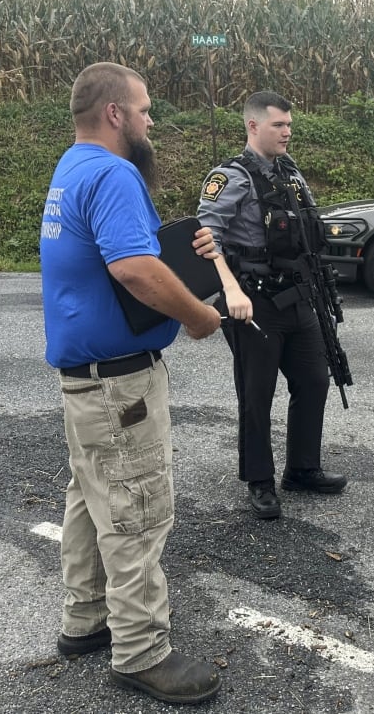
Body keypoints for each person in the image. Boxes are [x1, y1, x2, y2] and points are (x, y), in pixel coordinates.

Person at [39, 62, 224, 706]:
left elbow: (116, 253)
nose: (151, 122)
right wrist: (201, 316)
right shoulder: (116, 173)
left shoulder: (73, 167)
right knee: (138, 511)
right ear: (116, 113)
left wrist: (181, 247)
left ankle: (85, 620)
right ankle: (142, 651)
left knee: (90, 500)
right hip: (119, 387)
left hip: (82, 381)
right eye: (144, 110)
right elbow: (135, 269)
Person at [196, 91, 347, 520]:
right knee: (256, 393)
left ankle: (301, 468)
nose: (287, 132)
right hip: (252, 301)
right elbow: (205, 239)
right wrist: (231, 291)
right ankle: (259, 480)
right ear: (253, 126)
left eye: (289, 125)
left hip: (298, 299)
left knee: (315, 380)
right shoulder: (231, 177)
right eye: (279, 125)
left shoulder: (291, 173)